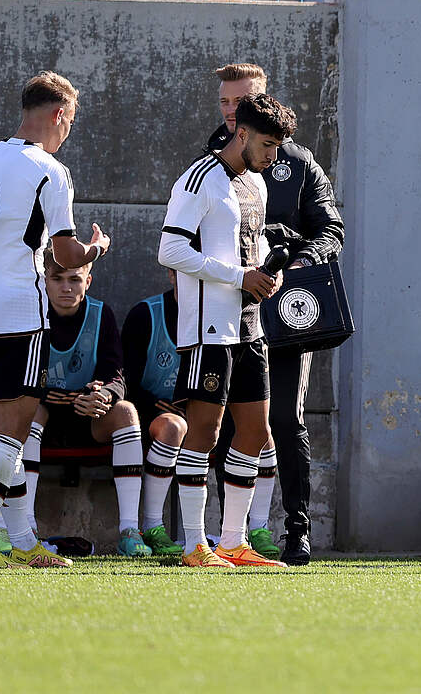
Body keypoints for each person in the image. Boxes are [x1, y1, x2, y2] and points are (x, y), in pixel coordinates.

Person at [0, 71, 110, 568]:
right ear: (58, 114)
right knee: (11, 434)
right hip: (20, 314)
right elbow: (65, 251)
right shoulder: (50, 170)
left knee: (5, 430)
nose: (68, 132)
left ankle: (22, 539)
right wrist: (96, 249)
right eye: (71, 122)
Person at [203, 63, 344, 565]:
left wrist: (302, 259)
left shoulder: (300, 163)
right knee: (225, 423)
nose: (228, 112)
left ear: (261, 103)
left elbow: (332, 228)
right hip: (228, 309)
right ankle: (229, 536)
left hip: (286, 309)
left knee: (284, 417)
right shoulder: (208, 162)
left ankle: (297, 530)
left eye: (237, 103)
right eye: (223, 103)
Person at [158, 92, 292, 569]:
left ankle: (233, 541)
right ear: (241, 133)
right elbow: (170, 252)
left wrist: (263, 273)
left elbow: (244, 250)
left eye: (277, 147)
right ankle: (195, 543)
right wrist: (239, 277)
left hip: (249, 326)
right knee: (205, 433)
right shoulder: (199, 178)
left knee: (255, 432)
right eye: (268, 144)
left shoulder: (256, 182)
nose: (273, 155)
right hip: (207, 328)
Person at [0, 249, 149, 556]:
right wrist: (41, 393)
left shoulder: (101, 314)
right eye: (57, 279)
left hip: (84, 418)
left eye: (75, 280)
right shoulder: (30, 313)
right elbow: (8, 373)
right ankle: (26, 528)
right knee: (30, 410)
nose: (67, 287)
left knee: (125, 412)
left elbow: (116, 375)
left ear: (88, 281)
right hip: (35, 420)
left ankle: (129, 531)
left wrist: (103, 394)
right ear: (44, 282)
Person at [121, 269, 190, 556]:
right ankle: (151, 525)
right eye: (186, 273)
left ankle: (233, 534)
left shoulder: (218, 319)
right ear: (172, 275)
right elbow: (127, 381)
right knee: (171, 426)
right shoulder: (145, 315)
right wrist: (154, 404)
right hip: (145, 415)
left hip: (198, 416)